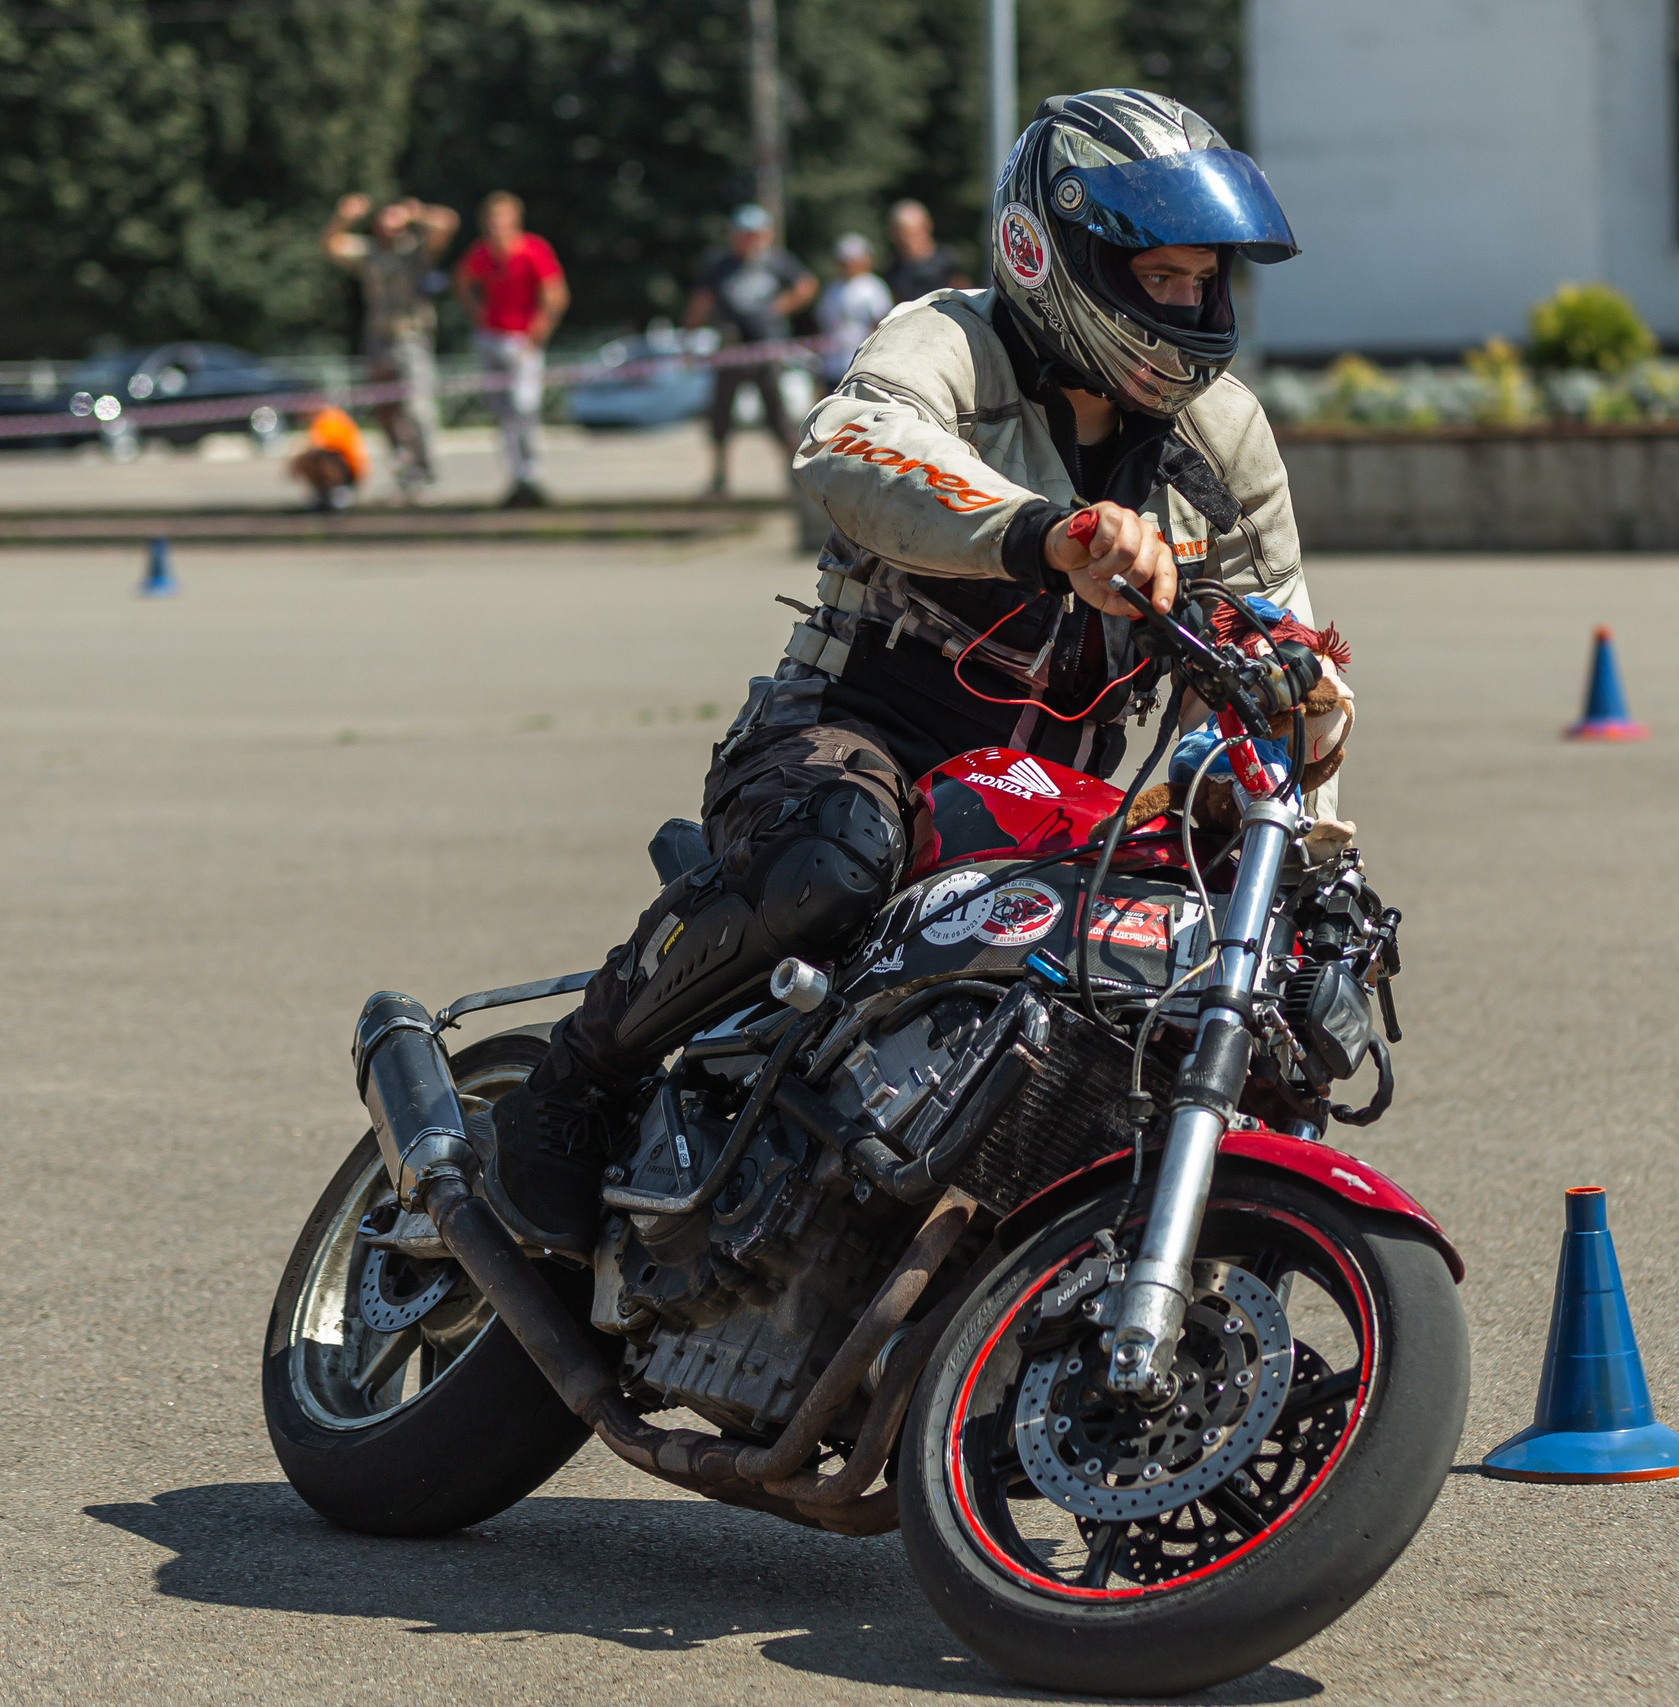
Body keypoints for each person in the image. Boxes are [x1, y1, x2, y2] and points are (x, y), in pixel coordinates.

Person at [480, 89, 1339, 1248]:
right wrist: (1045, 533)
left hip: (1054, 809)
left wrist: (1308, 845)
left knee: (1244, 995)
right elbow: (852, 448)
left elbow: (1281, 652)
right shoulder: (948, 338)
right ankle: (571, 1087)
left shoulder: (1222, 439)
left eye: (1203, 281)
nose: (1188, 306)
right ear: (1064, 254)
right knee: (833, 861)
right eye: (1161, 279)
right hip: (850, 735)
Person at [324, 192, 457, 499]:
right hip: (378, 338)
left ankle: (426, 468)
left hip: (412, 337)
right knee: (385, 409)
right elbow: (331, 245)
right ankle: (403, 470)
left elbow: (447, 223)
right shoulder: (369, 253)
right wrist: (344, 217)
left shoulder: (416, 250)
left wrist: (417, 213)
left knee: (418, 407)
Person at [685, 204, 816, 496]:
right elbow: (702, 300)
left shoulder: (777, 262)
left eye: (755, 235)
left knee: (776, 416)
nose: (750, 241)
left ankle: (795, 473)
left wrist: (781, 307)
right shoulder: (721, 265)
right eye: (744, 235)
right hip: (731, 348)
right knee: (720, 414)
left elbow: (806, 285)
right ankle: (719, 476)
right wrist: (691, 330)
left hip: (765, 348)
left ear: (765, 235)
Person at [454, 191, 567, 508]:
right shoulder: (482, 253)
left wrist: (540, 327)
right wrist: (476, 314)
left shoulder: (533, 249)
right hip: (491, 337)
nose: (496, 226)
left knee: (524, 408)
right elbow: (462, 281)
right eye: (491, 220)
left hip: (521, 340)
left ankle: (531, 473)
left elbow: (555, 293)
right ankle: (516, 477)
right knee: (502, 414)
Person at [817, 232, 893, 380]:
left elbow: (882, 321)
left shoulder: (873, 286)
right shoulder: (832, 289)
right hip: (834, 365)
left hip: (864, 365)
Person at [884, 198, 971, 303]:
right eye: (901, 234)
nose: (907, 240)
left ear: (927, 227)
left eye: (913, 233)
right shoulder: (894, 270)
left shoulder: (948, 261)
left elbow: (964, 298)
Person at [289, 406, 371, 510]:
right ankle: (323, 493)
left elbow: (328, 447)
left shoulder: (330, 418)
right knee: (310, 458)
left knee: (317, 458)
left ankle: (337, 491)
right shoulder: (318, 422)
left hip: (350, 468)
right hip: (342, 463)